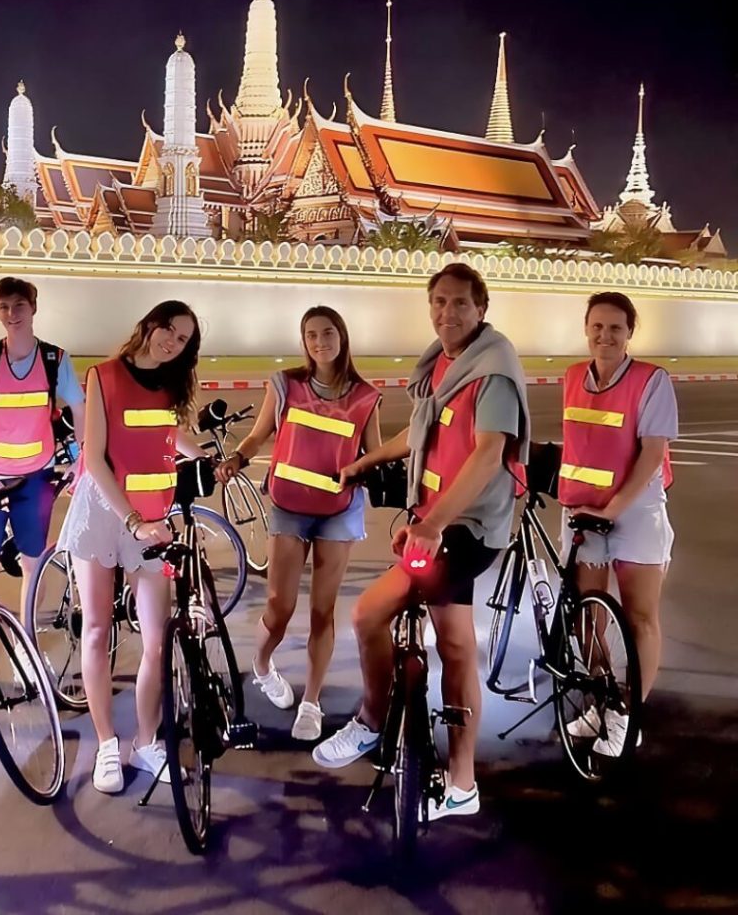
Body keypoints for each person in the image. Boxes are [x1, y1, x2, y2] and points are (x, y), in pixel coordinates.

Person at [312, 263, 529, 822]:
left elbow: (488, 454)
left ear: (482, 308)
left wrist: (433, 526)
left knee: (367, 614)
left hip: (466, 527)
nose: (446, 313)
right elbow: (421, 434)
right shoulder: (442, 363)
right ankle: (461, 783)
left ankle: (371, 717)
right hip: (435, 518)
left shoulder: (493, 371)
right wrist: (366, 461)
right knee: (455, 647)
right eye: (438, 301)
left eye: (459, 303)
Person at [56, 300, 206, 794]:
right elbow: (95, 458)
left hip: (154, 518)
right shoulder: (104, 375)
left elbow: (162, 434)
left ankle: (146, 741)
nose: (172, 341)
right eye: (168, 329)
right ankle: (105, 744)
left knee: (156, 641)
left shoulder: (171, 384)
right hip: (105, 514)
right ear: (148, 325)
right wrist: (133, 520)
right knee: (96, 630)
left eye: (183, 339)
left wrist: (203, 454)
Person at [216, 306, 381, 741]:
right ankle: (263, 665)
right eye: (310, 335)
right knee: (280, 607)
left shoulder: (366, 396)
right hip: (290, 503)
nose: (319, 341)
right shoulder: (286, 383)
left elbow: (373, 453)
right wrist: (238, 458)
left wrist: (366, 471)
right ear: (303, 341)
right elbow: (258, 434)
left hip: (339, 511)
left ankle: (311, 701)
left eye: (327, 333)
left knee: (323, 612)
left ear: (342, 337)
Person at [0, 276, 86, 702]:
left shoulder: (54, 358)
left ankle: (26, 647)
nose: (13, 314)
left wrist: (79, 461)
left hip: (36, 478)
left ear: (33, 307)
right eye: (4, 307)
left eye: (19, 305)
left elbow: (80, 411)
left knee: (33, 566)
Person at [560, 291, 677, 756]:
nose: (605, 336)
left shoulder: (652, 380)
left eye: (615, 328)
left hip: (635, 508)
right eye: (597, 327)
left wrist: (614, 508)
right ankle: (603, 701)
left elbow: (652, 454)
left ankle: (630, 715)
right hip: (582, 510)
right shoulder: (571, 377)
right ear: (586, 329)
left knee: (639, 616)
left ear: (630, 333)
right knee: (586, 615)